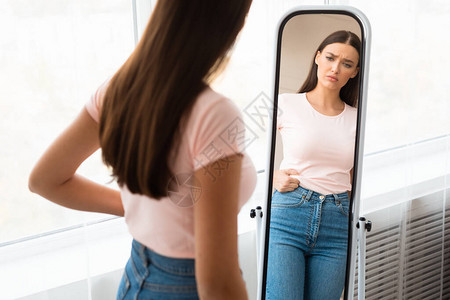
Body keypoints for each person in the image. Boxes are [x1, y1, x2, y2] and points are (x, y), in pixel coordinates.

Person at [28, 1, 256, 299]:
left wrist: (143, 205)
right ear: (229, 27)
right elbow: (217, 284)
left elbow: (45, 180)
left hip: (137, 277)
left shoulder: (117, 90)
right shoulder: (215, 113)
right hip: (183, 286)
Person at [265, 30, 361, 300]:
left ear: (354, 72)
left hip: (337, 220)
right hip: (288, 214)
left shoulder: (358, 119)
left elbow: (356, 174)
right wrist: (272, 177)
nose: (335, 68)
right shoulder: (285, 103)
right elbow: (237, 151)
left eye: (346, 64)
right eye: (330, 57)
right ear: (318, 57)